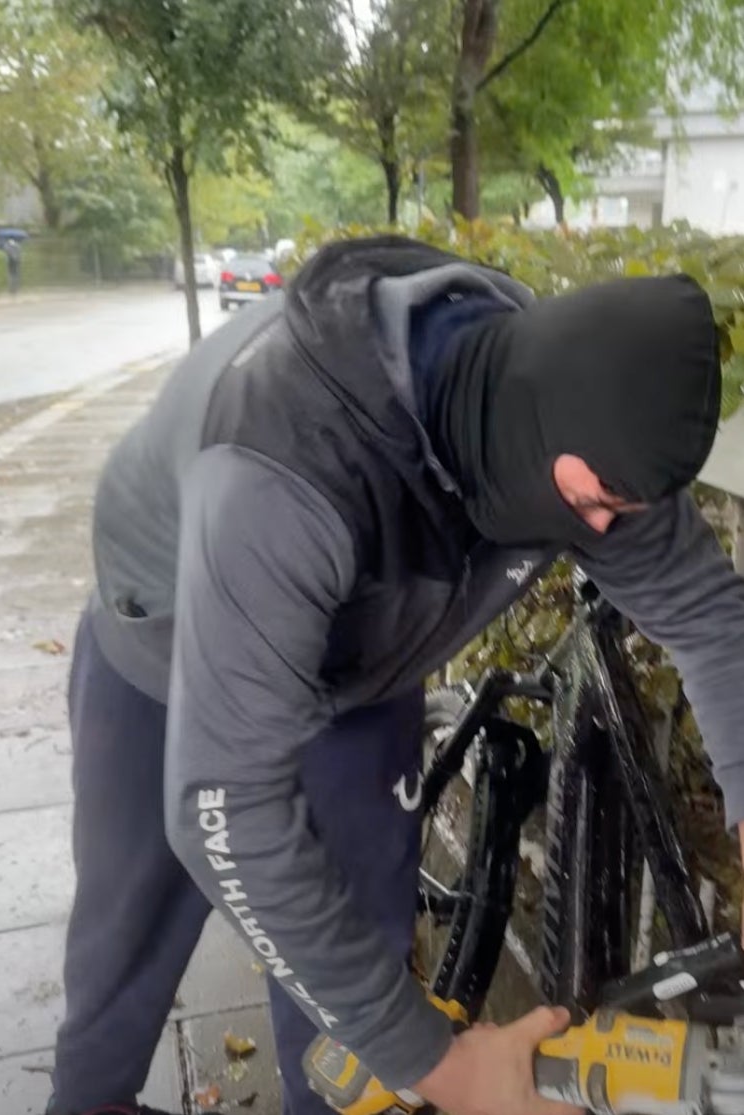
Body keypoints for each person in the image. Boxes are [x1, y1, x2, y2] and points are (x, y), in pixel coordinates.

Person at [47, 235, 742, 1115]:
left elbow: (717, 624)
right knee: (125, 944)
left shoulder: (579, 422)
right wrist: (450, 1071)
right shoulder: (286, 465)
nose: (609, 534)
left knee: (358, 979)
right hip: (170, 645)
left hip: (362, 670)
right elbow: (224, 811)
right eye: (598, 508)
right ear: (548, 459)